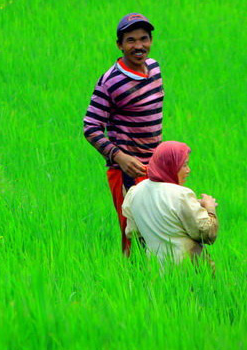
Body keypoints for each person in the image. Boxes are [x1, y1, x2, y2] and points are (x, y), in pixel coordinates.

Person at [83, 13, 164, 256]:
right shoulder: (111, 81)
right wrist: (120, 157)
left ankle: (163, 286)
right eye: (131, 40)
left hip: (156, 167)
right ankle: (132, 285)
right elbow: (91, 127)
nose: (139, 46)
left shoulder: (155, 69)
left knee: (163, 231)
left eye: (144, 39)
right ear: (119, 44)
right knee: (134, 234)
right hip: (127, 172)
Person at [122, 141, 219, 266]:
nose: (188, 170)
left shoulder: (135, 192)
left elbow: (132, 232)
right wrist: (209, 208)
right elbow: (207, 234)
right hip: (188, 266)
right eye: (184, 165)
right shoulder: (181, 194)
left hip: (155, 268)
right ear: (170, 165)